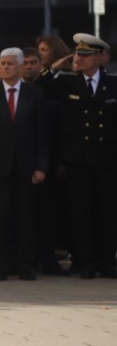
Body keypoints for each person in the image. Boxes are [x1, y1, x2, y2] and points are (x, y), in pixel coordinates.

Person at [38, 34, 116, 279]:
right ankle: (84, 261)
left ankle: (107, 260)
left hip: (106, 159)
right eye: (77, 54)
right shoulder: (68, 82)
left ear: (99, 58)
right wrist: (56, 66)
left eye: (85, 55)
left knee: (108, 212)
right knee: (80, 213)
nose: (79, 58)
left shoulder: (113, 83)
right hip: (77, 159)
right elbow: (40, 85)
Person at [0, 48, 49, 281]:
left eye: (10, 64)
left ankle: (25, 263)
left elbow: (42, 133)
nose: (5, 67)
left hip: (27, 168)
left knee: (26, 216)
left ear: (20, 67)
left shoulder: (35, 94)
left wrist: (41, 166)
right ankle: (1, 263)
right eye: (2, 64)